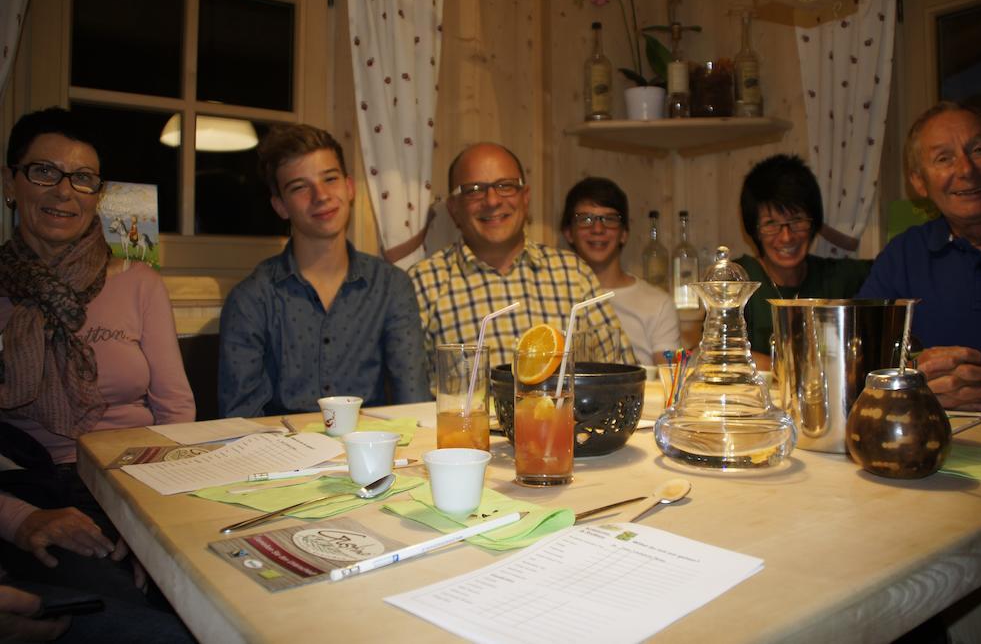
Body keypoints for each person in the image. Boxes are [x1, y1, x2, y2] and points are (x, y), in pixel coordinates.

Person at [0, 107, 196, 640]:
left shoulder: (139, 282)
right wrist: (20, 520)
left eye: (83, 178)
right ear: (11, 184)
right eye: (44, 172)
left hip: (137, 478)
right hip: (36, 489)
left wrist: (150, 519)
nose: (64, 192)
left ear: (98, 195)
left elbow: (176, 412)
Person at [218, 123, 430, 417]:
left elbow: (414, 404)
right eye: (300, 187)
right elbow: (241, 422)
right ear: (280, 206)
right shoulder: (251, 299)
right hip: (284, 456)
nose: (321, 196)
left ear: (350, 187)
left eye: (330, 179)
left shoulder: (391, 286)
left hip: (373, 453)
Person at [409, 142, 632, 383]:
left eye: (505, 186)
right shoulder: (423, 283)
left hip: (562, 421)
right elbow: (407, 399)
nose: (492, 200)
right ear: (454, 208)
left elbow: (622, 375)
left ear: (525, 198)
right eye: (474, 190)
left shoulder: (574, 273)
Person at [858, 101, 981, 410]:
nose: (965, 170)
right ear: (919, 182)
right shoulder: (903, 255)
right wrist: (917, 374)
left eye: (978, 151)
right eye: (944, 158)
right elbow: (861, 354)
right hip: (936, 440)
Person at [738, 154, 872, 370]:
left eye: (797, 221)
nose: (786, 237)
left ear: (814, 223)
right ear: (754, 231)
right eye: (771, 224)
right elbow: (722, 353)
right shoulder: (737, 281)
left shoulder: (840, 278)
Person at [560, 177, 679, 366]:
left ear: (624, 233)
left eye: (609, 219)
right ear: (568, 232)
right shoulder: (554, 298)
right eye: (585, 219)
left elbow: (670, 381)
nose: (597, 229)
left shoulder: (658, 303)